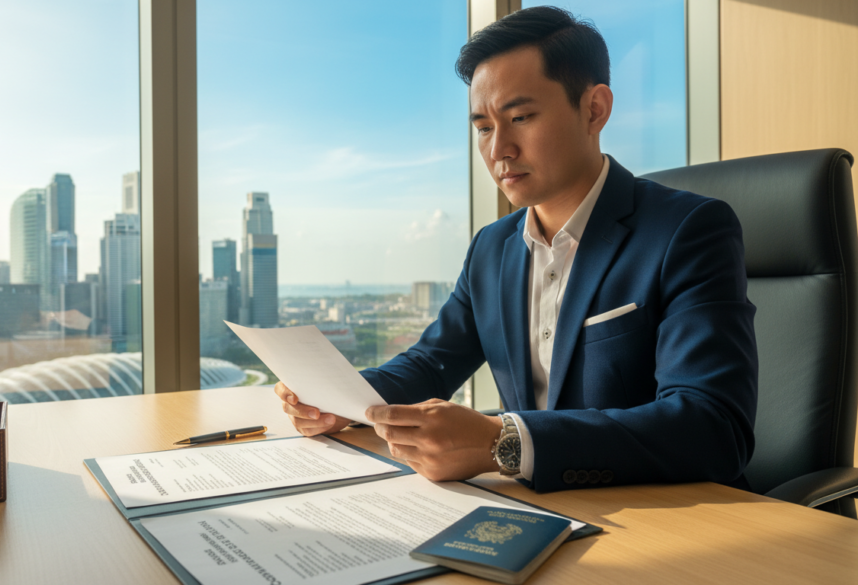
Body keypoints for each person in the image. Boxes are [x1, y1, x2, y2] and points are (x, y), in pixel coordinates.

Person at [275, 5, 758, 493]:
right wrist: (341, 399)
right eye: (484, 127)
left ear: (594, 109)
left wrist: (503, 442)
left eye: (521, 117)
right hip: (538, 507)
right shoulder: (492, 247)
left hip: (669, 513)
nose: (498, 150)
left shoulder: (688, 231)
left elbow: (712, 427)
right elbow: (431, 363)